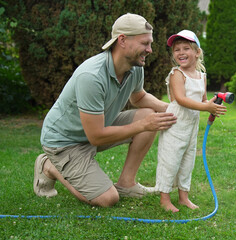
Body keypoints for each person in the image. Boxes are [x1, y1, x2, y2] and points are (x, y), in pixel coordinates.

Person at [33, 13, 177, 207]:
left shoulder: (135, 67)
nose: (150, 50)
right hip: (65, 142)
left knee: (150, 114)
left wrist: (173, 109)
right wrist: (143, 125)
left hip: (96, 130)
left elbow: (139, 97)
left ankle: (127, 183)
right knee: (107, 199)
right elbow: (97, 137)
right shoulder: (91, 76)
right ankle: (49, 166)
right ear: (123, 40)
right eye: (145, 43)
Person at [154, 30, 227, 212]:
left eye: (186, 48)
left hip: (191, 126)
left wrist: (212, 106)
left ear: (197, 52)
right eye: (176, 49)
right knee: (170, 160)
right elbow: (181, 99)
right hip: (175, 124)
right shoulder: (177, 74)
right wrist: (206, 107)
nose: (180, 52)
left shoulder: (201, 76)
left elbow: (202, 100)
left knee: (187, 161)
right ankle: (164, 199)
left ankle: (183, 197)